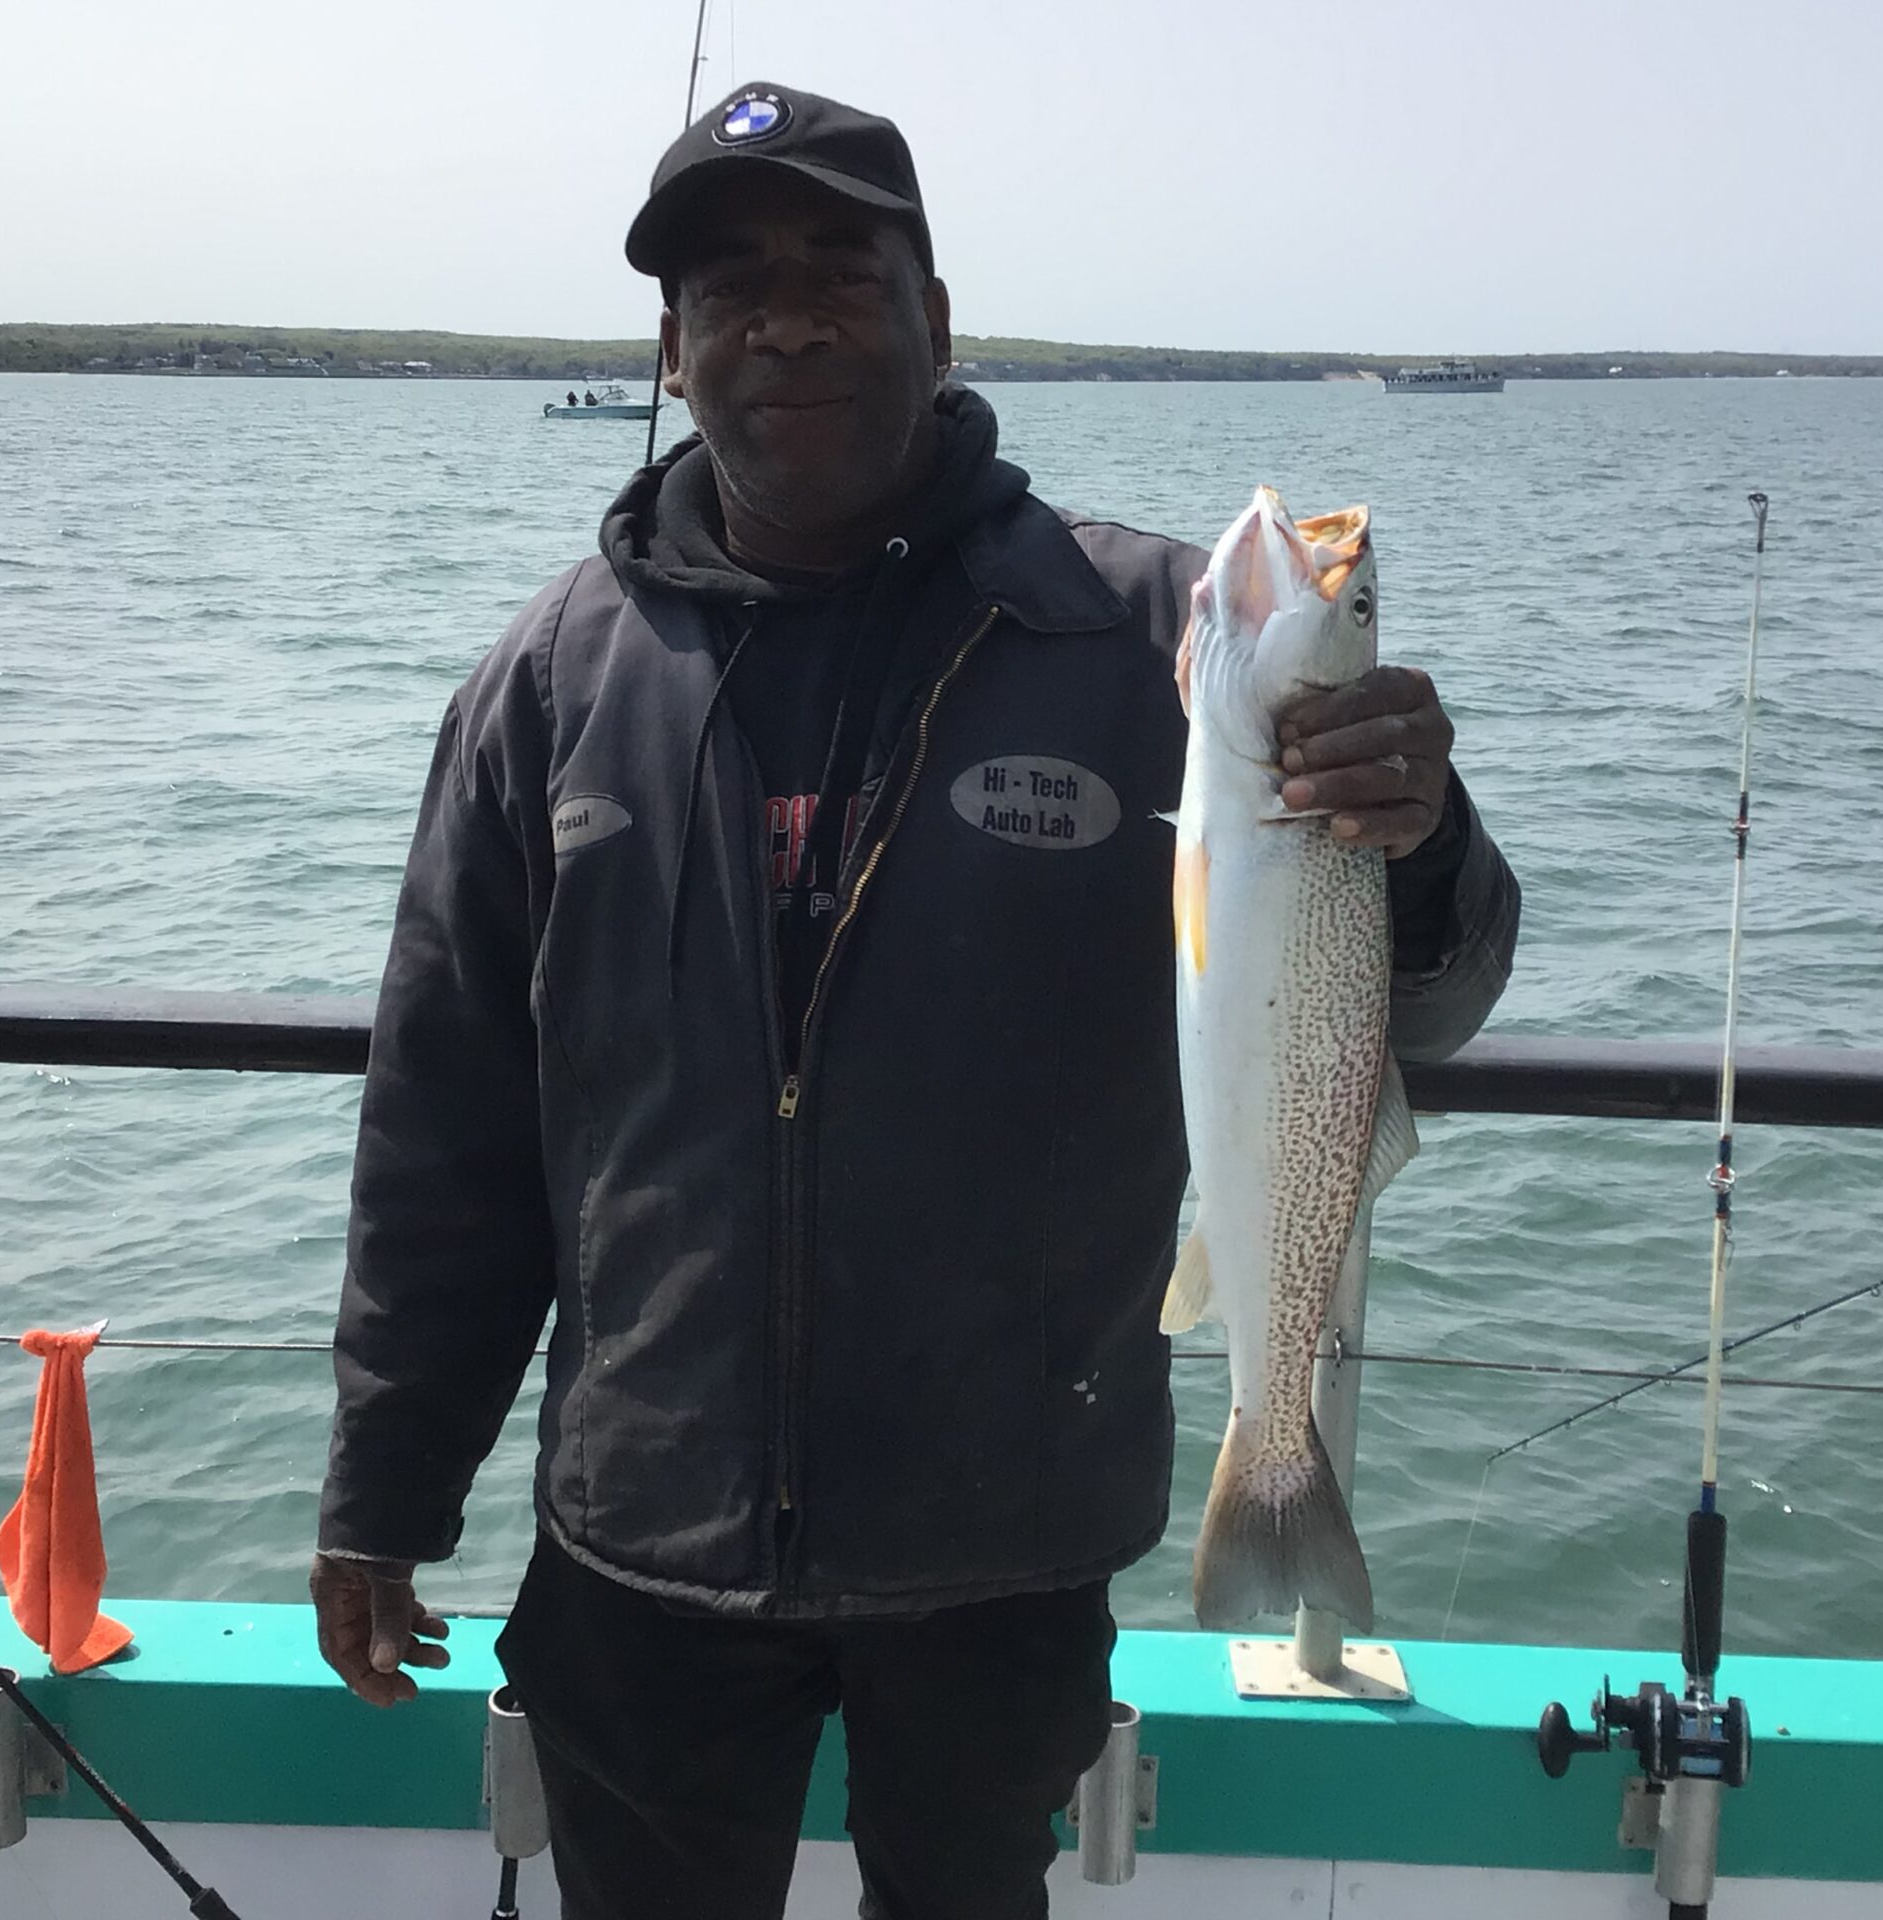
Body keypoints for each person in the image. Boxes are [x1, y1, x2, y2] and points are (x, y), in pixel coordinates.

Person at [313, 81, 1520, 1920]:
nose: (783, 319)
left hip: (1004, 1529)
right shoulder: (550, 679)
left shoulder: (1160, 642)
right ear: (673, 347)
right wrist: (386, 1489)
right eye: (728, 287)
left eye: (839, 273)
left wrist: (1411, 839)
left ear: (937, 321)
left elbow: (1411, 1014)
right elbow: (445, 1130)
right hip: (642, 1539)